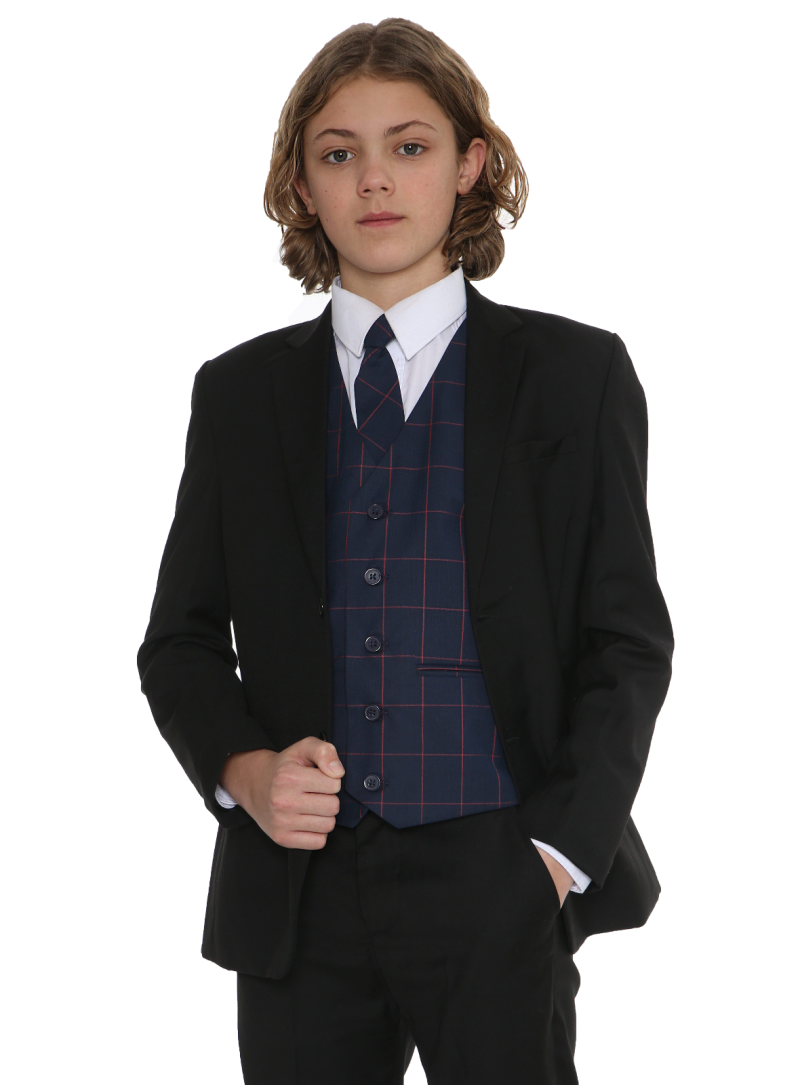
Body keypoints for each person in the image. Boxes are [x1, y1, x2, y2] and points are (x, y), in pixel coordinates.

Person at [137, 17, 673, 1084]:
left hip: (500, 866)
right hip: (298, 885)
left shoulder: (576, 376)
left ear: (469, 164)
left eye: (409, 145)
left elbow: (625, 640)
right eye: (339, 153)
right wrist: (245, 770)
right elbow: (179, 641)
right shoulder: (238, 394)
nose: (374, 179)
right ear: (301, 184)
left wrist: (556, 852)